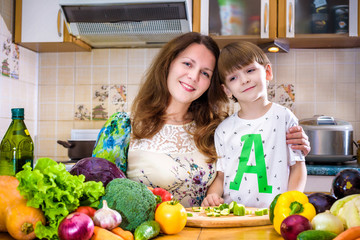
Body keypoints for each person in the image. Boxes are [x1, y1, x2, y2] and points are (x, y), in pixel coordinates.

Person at [92, 32, 310, 208]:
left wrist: (297, 143)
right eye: (187, 64)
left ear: (213, 85)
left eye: (205, 73)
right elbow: (97, 198)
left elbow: (262, 151)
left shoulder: (216, 129)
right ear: (168, 64)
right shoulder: (122, 126)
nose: (194, 77)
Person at [201, 41, 307, 208]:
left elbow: (298, 167)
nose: (244, 80)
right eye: (233, 78)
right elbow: (221, 176)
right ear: (227, 90)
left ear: (267, 72)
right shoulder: (223, 130)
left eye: (250, 70)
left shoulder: (284, 117)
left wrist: (291, 202)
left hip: (274, 214)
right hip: (233, 216)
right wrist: (212, 196)